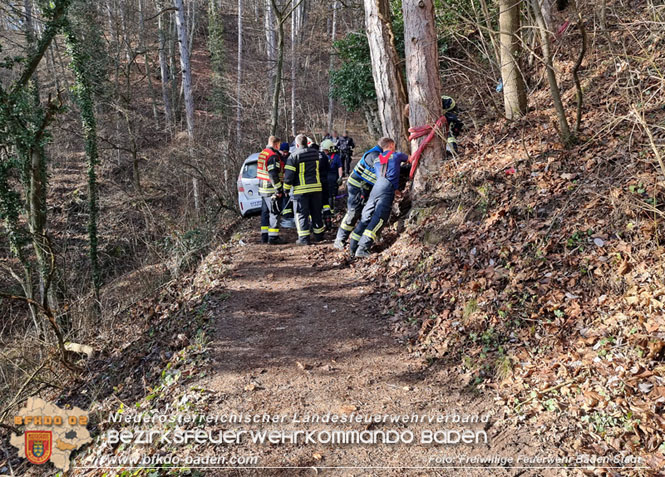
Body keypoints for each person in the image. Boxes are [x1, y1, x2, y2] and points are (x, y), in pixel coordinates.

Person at [349, 138, 409, 258]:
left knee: (366, 217)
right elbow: (412, 158)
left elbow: (385, 174)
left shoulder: (377, 159)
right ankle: (363, 248)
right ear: (391, 145)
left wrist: (396, 190)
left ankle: (353, 247)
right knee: (380, 218)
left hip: (376, 188)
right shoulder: (396, 155)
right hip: (386, 191)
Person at [333, 137, 390, 249]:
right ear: (386, 146)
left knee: (367, 214)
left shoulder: (379, 154)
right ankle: (340, 239)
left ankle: (358, 240)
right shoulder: (374, 155)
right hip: (356, 187)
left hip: (366, 188)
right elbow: (383, 169)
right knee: (353, 213)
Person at [284, 134, 328, 245]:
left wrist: (286, 189)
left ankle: (304, 239)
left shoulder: (293, 156)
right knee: (316, 212)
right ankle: (319, 236)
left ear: (297, 144)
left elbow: (289, 176)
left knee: (301, 214)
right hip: (317, 188)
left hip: (301, 190)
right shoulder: (315, 153)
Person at [257, 136, 286, 244]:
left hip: (263, 188)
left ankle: (264, 236)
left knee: (265, 212)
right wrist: (278, 189)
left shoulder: (263, 153)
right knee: (274, 212)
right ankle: (273, 237)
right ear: (276, 145)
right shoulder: (272, 156)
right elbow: (273, 174)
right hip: (270, 188)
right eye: (279, 145)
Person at [321, 139, 343, 213]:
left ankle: (332, 209)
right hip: (325, 176)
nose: (325, 152)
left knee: (331, 194)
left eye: (326, 150)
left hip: (333, 176)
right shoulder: (323, 156)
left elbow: (340, 167)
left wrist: (340, 177)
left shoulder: (336, 157)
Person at [279, 142, 296, 228]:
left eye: (286, 152)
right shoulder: (278, 157)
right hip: (280, 182)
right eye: (283, 152)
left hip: (288, 182)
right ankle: (286, 215)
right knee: (284, 199)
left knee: (288, 199)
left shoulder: (290, 158)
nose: (285, 153)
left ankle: (289, 216)